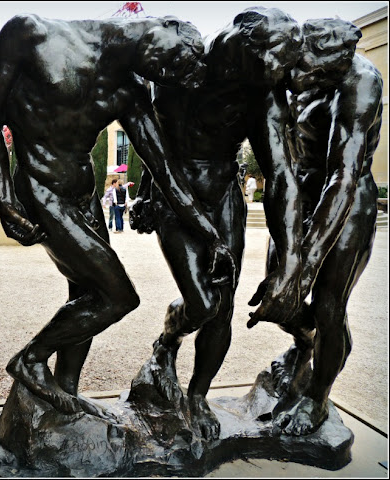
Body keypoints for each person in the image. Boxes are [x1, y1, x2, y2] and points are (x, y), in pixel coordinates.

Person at [0, 13, 236, 416]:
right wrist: (5, 198)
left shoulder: (131, 91)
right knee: (117, 296)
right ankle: (31, 359)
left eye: (177, 71)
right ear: (165, 24)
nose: (171, 71)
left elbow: (164, 170)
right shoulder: (31, 33)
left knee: (85, 295)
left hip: (83, 193)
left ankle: (66, 394)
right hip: (40, 189)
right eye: (179, 57)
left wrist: (211, 234)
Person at [128, 7, 305, 440]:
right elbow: (151, 134)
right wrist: (146, 190)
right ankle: (167, 341)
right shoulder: (176, 57)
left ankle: (197, 394)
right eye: (247, 63)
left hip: (221, 197)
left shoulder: (260, 90)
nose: (247, 75)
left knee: (221, 307)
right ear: (238, 37)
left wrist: (291, 257)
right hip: (173, 196)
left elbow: (280, 173)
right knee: (202, 303)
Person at [248, 18, 383, 436]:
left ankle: (317, 398)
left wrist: (304, 267)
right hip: (301, 191)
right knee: (281, 298)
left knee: (328, 306)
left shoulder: (361, 81)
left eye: (312, 72)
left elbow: (343, 176)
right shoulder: (298, 65)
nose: (300, 78)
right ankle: (303, 346)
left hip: (348, 197)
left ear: (338, 62)